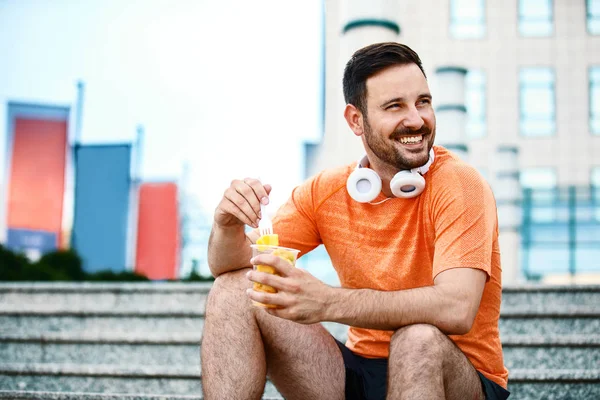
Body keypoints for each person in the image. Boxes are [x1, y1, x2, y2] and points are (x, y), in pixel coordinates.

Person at [201, 42, 510, 400]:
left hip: (456, 375)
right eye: (395, 106)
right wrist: (225, 225)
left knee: (417, 338)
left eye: (422, 101)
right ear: (356, 120)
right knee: (233, 289)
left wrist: (329, 302)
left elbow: (457, 308)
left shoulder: (460, 183)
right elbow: (230, 263)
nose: (416, 119)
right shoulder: (325, 191)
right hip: (357, 371)